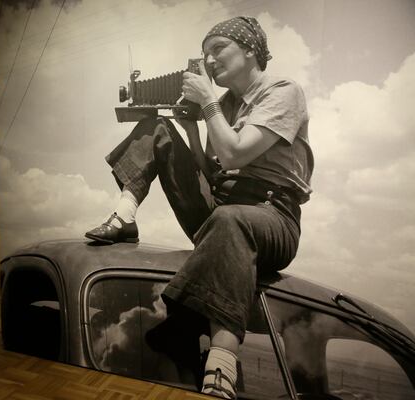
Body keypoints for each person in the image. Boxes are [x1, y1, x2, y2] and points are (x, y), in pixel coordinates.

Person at [85, 16, 313, 399]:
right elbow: (215, 169)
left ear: (250, 50)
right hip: (224, 208)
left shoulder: (283, 91)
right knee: (158, 128)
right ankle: (125, 215)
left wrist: (207, 104)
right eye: (205, 53)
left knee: (229, 221)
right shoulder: (224, 104)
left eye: (218, 49)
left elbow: (235, 151)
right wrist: (190, 127)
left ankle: (221, 365)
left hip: (273, 215)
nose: (209, 60)